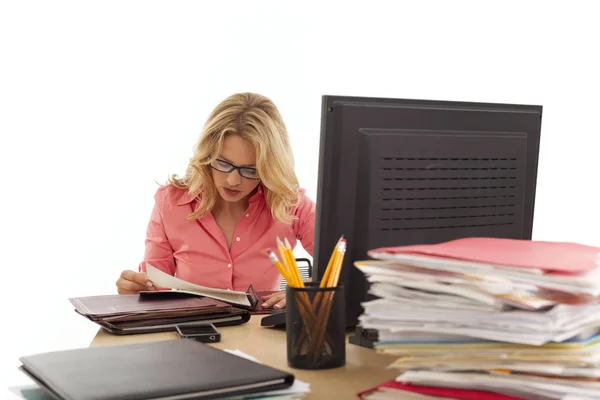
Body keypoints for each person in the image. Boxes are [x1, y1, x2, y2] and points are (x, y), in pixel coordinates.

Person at [115, 93, 315, 310]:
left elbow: (348, 263)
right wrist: (136, 290)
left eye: (249, 170)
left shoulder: (290, 204)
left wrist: (313, 291)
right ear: (207, 154)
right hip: (193, 333)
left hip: (262, 334)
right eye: (223, 163)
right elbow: (154, 290)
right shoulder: (170, 202)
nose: (233, 180)